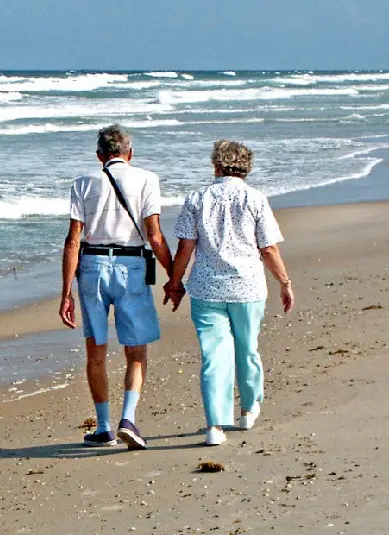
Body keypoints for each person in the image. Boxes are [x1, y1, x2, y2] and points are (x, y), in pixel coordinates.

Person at [165, 140, 294, 446]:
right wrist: (285, 283)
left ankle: (215, 426)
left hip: (207, 288)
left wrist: (174, 282)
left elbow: (185, 247)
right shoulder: (256, 199)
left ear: (216, 165)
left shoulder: (197, 198)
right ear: (246, 167)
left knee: (214, 357)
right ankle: (249, 409)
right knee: (247, 349)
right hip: (248, 287)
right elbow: (268, 248)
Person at [60, 124, 173, 449]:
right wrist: (173, 278)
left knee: (96, 350)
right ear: (130, 153)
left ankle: (105, 427)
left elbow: (73, 240)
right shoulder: (147, 179)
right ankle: (129, 419)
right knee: (136, 350)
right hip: (132, 265)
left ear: (100, 156)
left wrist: (66, 292)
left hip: (92, 267)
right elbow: (154, 235)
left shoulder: (82, 183)